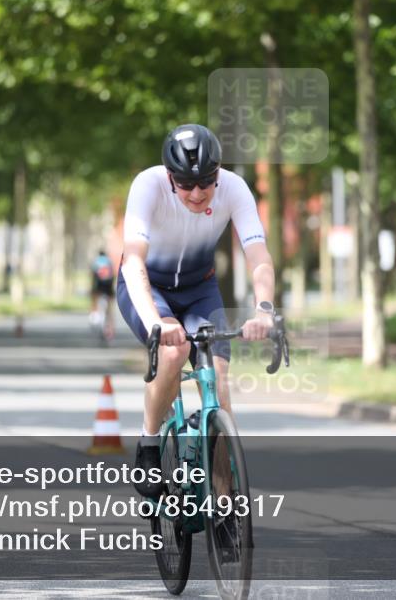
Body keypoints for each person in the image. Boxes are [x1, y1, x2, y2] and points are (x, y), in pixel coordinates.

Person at [117, 124, 277, 498]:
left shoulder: (234, 188)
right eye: (185, 183)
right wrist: (156, 321)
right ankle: (150, 443)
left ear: (218, 173)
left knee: (220, 386)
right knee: (174, 351)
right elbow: (133, 260)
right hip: (147, 285)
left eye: (206, 181)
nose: (197, 192)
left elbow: (258, 256)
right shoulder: (148, 185)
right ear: (170, 177)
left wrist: (265, 310)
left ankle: (224, 501)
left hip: (199, 288)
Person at [89, 250, 115, 336]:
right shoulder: (109, 261)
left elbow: (92, 275)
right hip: (108, 286)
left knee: (94, 298)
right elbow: (113, 275)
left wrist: (92, 289)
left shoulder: (96, 261)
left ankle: (93, 315)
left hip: (98, 285)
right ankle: (110, 327)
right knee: (110, 307)